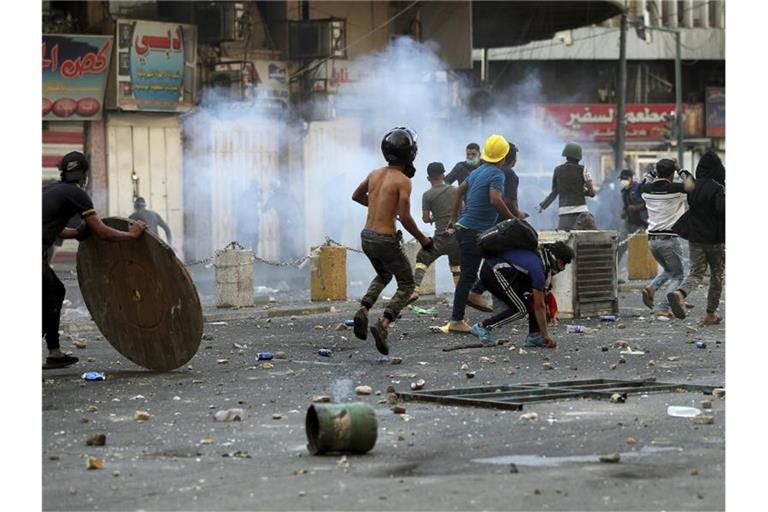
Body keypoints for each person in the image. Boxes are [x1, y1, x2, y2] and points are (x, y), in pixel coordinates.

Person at [43, 152, 146, 368]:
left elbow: (56, 229)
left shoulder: (50, 190)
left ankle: (54, 352)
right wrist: (132, 235)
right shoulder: (77, 194)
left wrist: (78, 233)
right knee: (48, 298)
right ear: (84, 175)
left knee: (56, 292)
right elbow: (103, 232)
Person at [351, 127, 433, 355]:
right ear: (411, 154)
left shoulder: (375, 173)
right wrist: (424, 240)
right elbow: (405, 218)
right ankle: (383, 324)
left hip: (366, 237)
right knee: (407, 285)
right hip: (385, 240)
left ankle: (364, 309)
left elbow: (356, 196)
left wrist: (379, 207)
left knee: (384, 274)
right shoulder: (404, 181)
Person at [446, 134, 516, 333]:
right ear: (503, 158)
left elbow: (457, 191)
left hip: (467, 229)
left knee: (496, 258)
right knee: (468, 275)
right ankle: (456, 320)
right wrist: (512, 219)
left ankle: (476, 292)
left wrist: (454, 218)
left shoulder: (477, 172)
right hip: (473, 232)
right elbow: (495, 199)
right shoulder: (497, 174)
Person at [469, 242, 575, 348]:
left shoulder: (541, 257)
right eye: (563, 263)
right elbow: (539, 306)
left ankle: (535, 335)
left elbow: (538, 298)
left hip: (503, 271)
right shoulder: (538, 268)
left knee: (534, 297)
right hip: (493, 271)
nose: (563, 268)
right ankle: (482, 327)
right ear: (556, 258)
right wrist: (546, 335)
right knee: (521, 309)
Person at [467, 142, 528, 311]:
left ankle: (486, 294)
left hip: (486, 222)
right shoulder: (510, 174)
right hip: (503, 224)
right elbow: (509, 201)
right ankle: (478, 291)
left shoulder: (486, 170)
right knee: (505, 258)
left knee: (496, 258)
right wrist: (518, 216)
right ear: (512, 159)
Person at [667, 151, 725, 325]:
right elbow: (722, 211)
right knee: (717, 275)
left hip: (695, 236)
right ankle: (710, 314)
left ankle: (679, 294)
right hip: (714, 239)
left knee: (696, 272)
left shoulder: (693, 186)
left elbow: (687, 178)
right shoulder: (718, 188)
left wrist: (679, 169)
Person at [639, 158, 694, 318]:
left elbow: (643, 181)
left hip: (652, 240)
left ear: (657, 172)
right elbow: (692, 184)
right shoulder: (677, 189)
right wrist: (680, 169)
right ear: (671, 173)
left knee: (669, 270)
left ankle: (651, 288)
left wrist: (653, 172)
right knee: (678, 276)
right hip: (669, 239)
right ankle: (663, 307)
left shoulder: (646, 190)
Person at [407, 162, 460, 304]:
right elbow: (463, 211)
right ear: (444, 175)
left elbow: (425, 219)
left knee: (422, 257)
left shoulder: (427, 195)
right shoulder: (455, 190)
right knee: (456, 266)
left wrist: (433, 218)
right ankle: (461, 294)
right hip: (456, 238)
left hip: (439, 240)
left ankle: (415, 290)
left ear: (428, 178)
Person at [537, 142, 597, 230]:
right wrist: (582, 191)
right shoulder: (583, 169)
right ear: (579, 156)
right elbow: (592, 193)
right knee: (592, 239)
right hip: (581, 215)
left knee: (564, 241)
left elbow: (554, 193)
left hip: (564, 215)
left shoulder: (557, 170)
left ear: (566, 155)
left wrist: (542, 206)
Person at [616, 169, 649, 272]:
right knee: (620, 246)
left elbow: (649, 203)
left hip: (642, 224)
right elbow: (626, 206)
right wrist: (624, 212)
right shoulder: (624, 191)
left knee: (643, 249)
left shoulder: (640, 188)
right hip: (629, 222)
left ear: (630, 178)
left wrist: (636, 207)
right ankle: (615, 273)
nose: (622, 181)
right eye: (621, 179)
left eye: (624, 179)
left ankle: (645, 271)